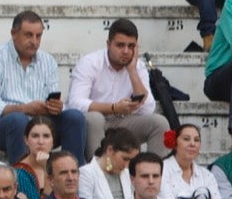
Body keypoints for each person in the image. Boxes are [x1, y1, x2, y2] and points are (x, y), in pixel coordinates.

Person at [0, 11, 86, 163]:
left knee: (74, 117)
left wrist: (55, 107)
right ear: (14, 33)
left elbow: (52, 97)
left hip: (40, 123)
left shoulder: (48, 61)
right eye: (28, 35)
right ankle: (22, 180)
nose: (34, 41)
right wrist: (24, 108)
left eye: (38, 36)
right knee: (18, 120)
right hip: (5, 127)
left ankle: (71, 174)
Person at [66, 18, 166, 162]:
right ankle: (100, 174)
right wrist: (114, 108)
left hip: (122, 122)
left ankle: (150, 174)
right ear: (108, 44)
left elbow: (148, 109)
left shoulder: (137, 66)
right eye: (120, 45)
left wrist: (132, 72)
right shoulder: (90, 62)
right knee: (94, 118)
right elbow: (75, 103)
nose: (126, 51)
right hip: (95, 123)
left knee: (159, 123)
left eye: (131, 46)